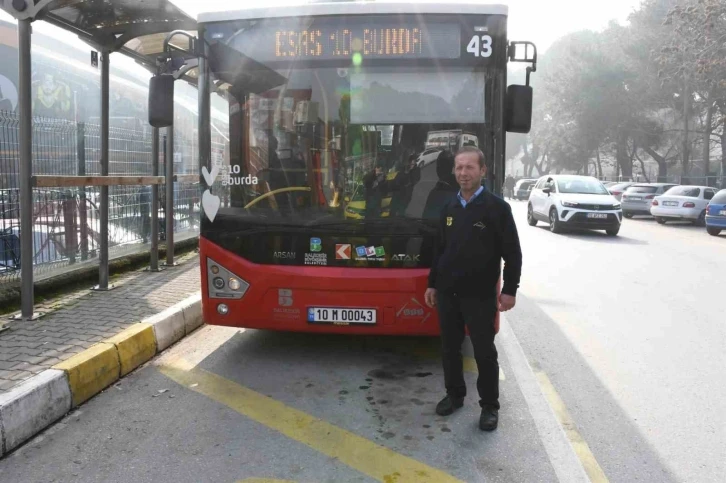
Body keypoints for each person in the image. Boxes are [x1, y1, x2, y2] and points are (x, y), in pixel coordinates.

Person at [424, 146, 522, 431]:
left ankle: (490, 406)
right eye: (459, 168)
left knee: (484, 352)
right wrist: (432, 283)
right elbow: (439, 251)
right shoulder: (448, 208)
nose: (463, 173)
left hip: (479, 296)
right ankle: (454, 396)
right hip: (448, 294)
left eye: (469, 168)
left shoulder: (497, 209)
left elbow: (513, 254)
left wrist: (510, 290)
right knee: (449, 349)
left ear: (482, 171)